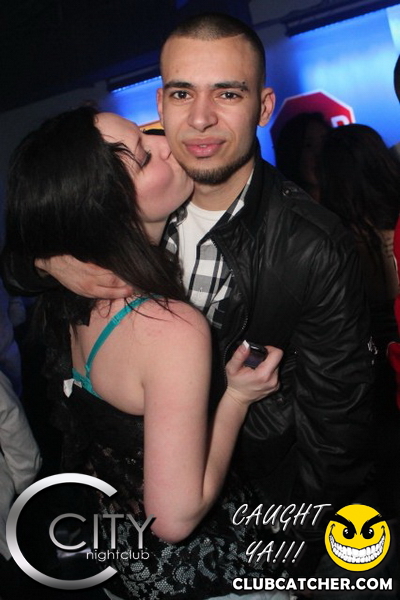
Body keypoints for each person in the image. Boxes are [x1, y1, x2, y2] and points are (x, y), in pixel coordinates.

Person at [1, 12, 375, 583]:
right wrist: (46, 260)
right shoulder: (128, 208)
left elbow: (336, 433)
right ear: (161, 104)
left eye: (228, 93)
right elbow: (42, 223)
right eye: (182, 93)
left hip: (258, 514)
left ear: (263, 108)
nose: (200, 118)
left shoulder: (312, 245)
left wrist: (313, 562)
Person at [5, 106, 286, 600]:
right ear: (107, 211)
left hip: (126, 567)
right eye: (143, 156)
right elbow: (173, 519)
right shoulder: (166, 328)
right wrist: (238, 398)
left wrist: (48, 261)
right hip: (204, 579)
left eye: (144, 134)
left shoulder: (74, 294)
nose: (164, 143)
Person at [274, 112, 331, 202]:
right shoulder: (278, 205)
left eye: (324, 143)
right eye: (308, 145)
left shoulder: (349, 204)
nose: (319, 152)